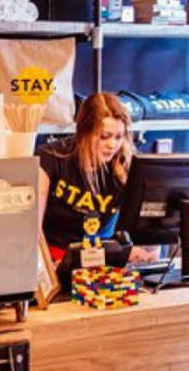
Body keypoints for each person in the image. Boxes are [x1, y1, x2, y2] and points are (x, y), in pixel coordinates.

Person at [36, 92, 156, 268]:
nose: (112, 145)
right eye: (104, 136)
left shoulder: (127, 163)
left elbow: (151, 241)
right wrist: (46, 266)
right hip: (57, 254)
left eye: (118, 137)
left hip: (104, 255)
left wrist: (145, 249)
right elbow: (33, 229)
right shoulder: (51, 157)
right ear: (84, 133)